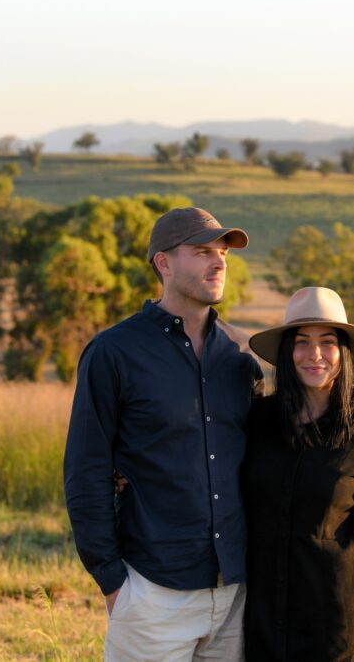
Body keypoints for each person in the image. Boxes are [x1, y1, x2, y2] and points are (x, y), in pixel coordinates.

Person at [64, 207, 263, 661]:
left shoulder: (239, 356)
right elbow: (85, 470)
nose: (219, 263)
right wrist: (113, 582)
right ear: (164, 264)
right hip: (152, 593)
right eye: (202, 252)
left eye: (222, 254)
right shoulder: (113, 353)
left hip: (234, 594)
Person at [244, 286, 354, 662]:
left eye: (327, 342)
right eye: (301, 342)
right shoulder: (254, 422)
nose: (314, 355)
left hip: (337, 623)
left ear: (344, 352)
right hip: (260, 620)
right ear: (286, 352)